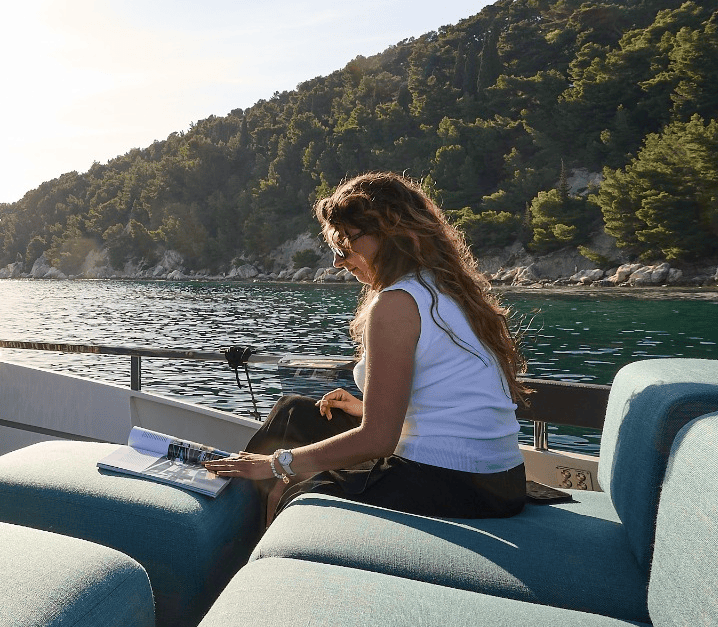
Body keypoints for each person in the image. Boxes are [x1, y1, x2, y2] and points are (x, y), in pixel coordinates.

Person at [202, 172, 528, 522]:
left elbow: (377, 442)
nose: (338, 262)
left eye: (345, 245)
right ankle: (232, 494)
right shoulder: (447, 289)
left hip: (454, 482)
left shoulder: (398, 302)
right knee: (294, 411)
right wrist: (366, 407)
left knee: (288, 489)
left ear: (389, 232)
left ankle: (234, 535)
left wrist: (276, 463)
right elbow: (451, 393)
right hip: (498, 479)